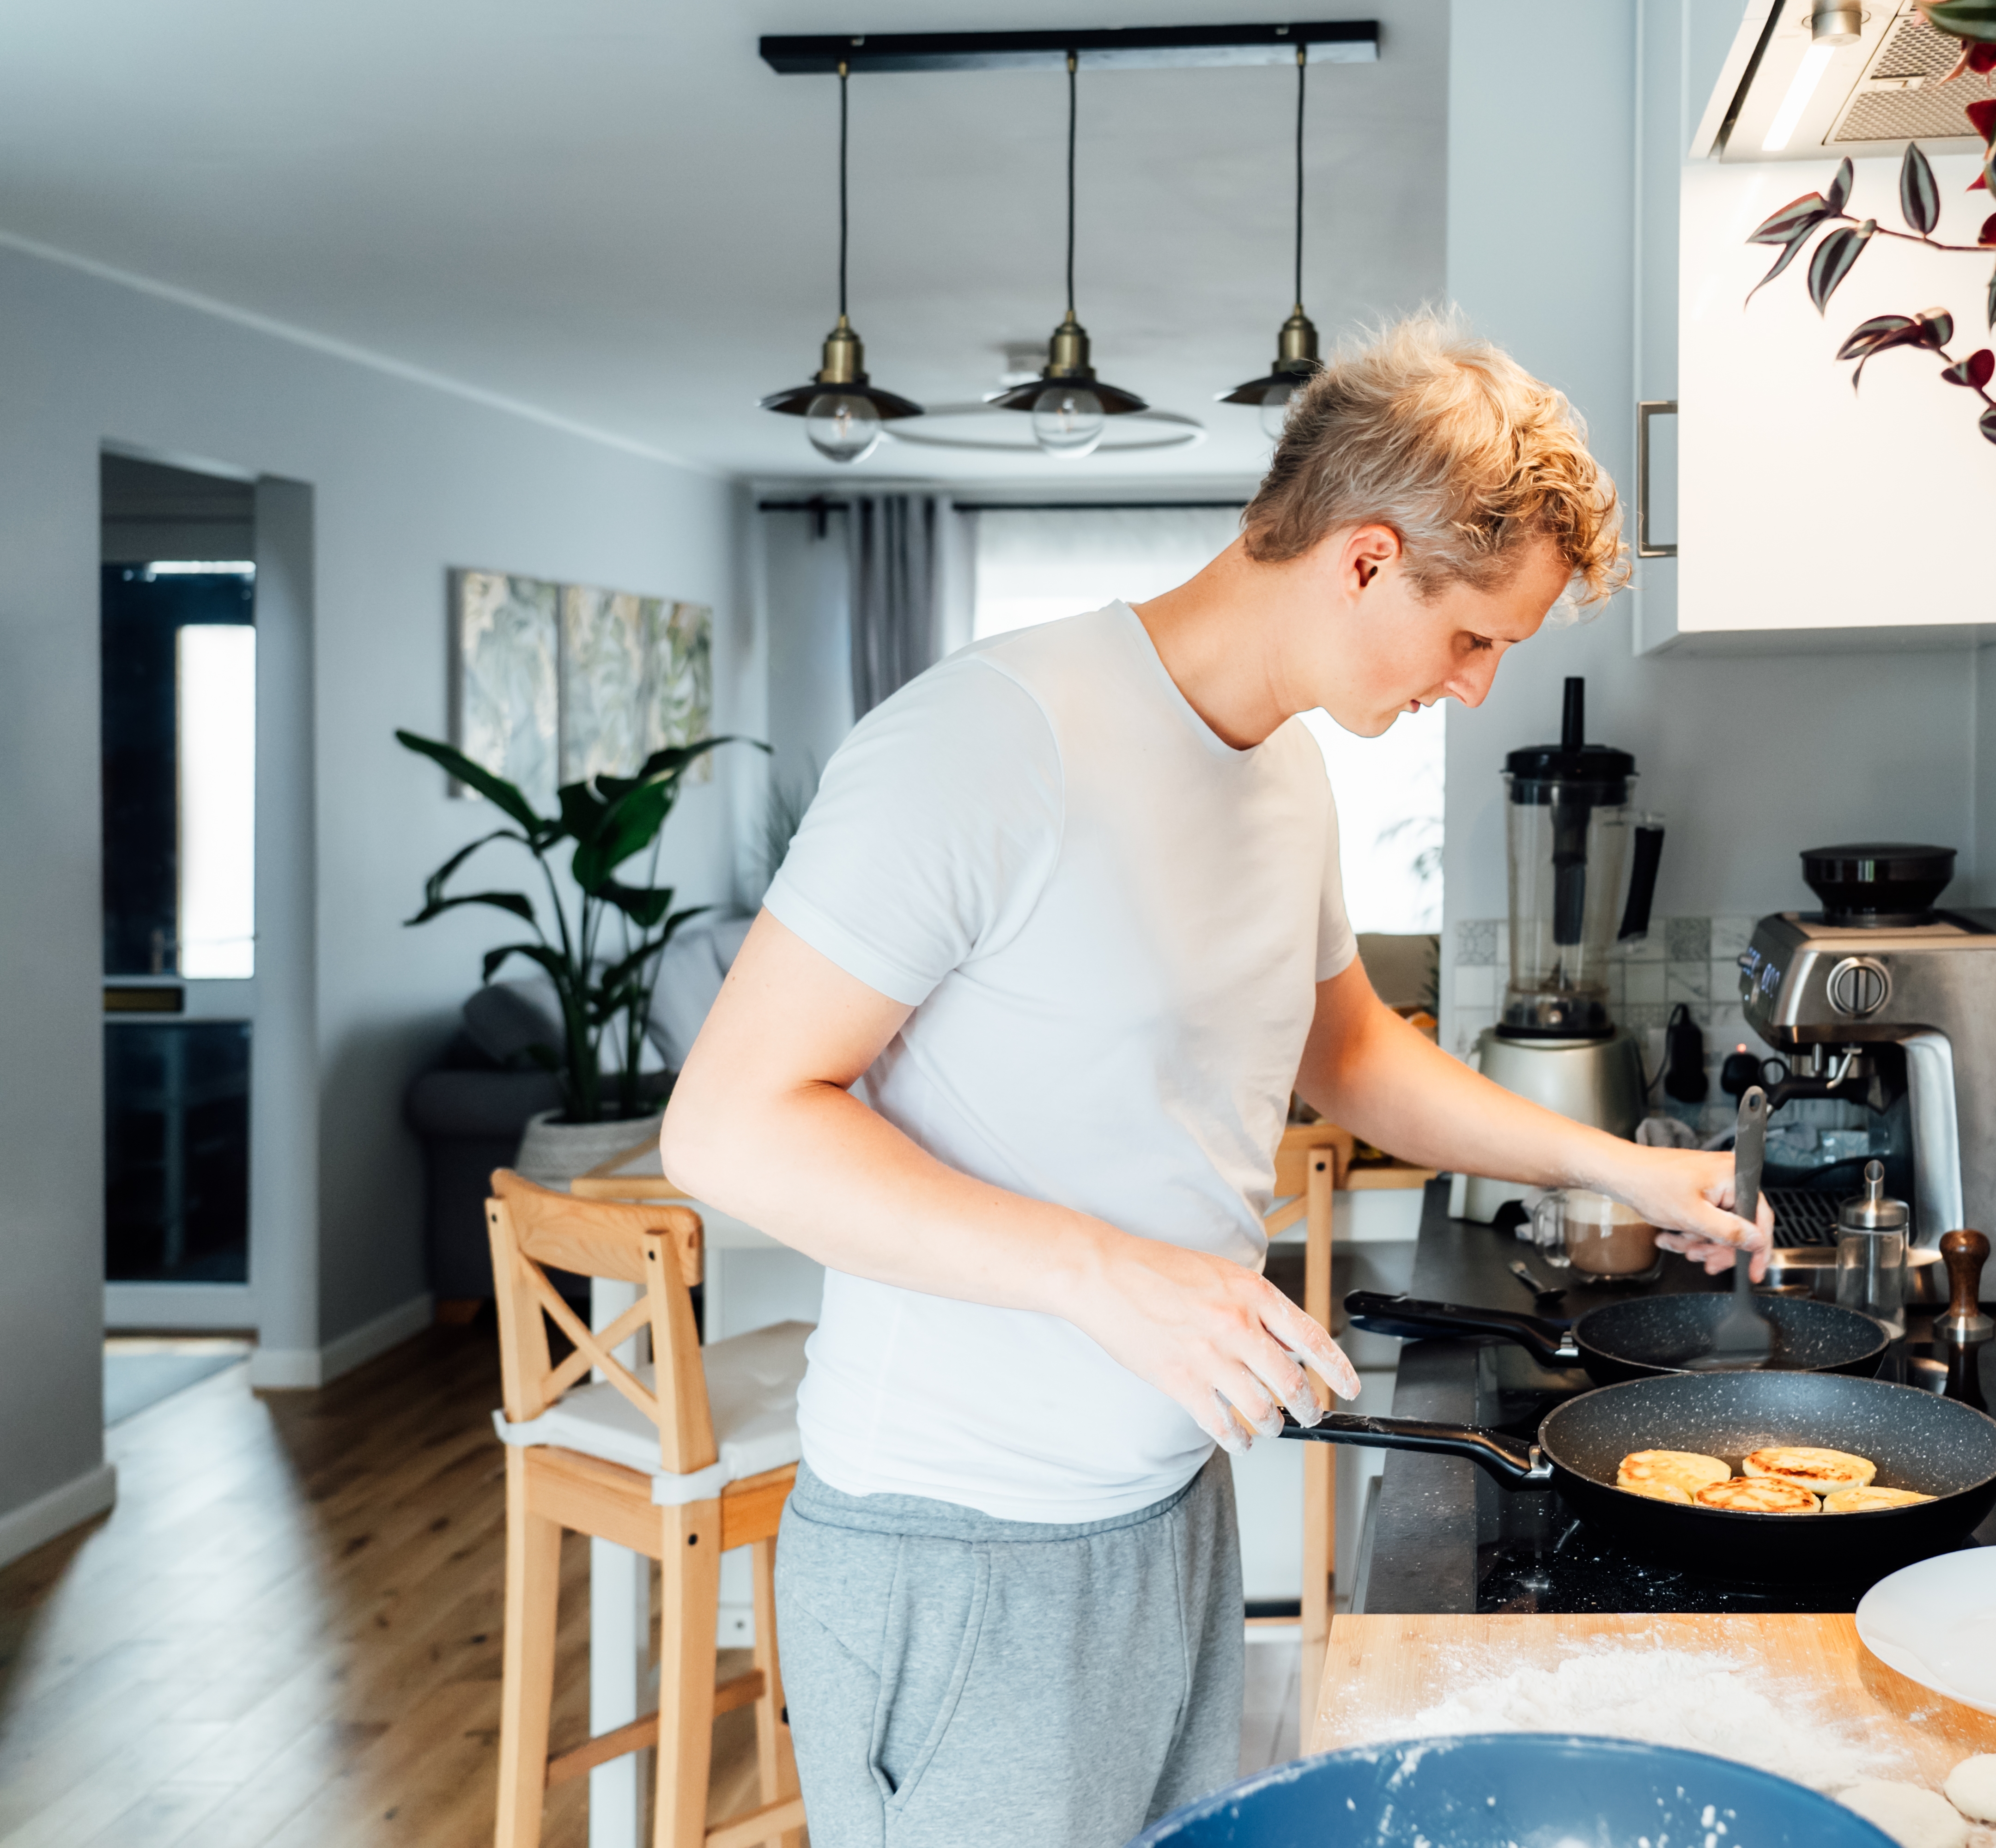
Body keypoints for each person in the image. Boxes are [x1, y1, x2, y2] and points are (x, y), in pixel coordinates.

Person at [661, 310, 1770, 1848]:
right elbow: (726, 1123)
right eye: (1476, 637)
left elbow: (1349, 1054)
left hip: (1164, 1504)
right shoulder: (994, 738)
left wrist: (1621, 1169)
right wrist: (1108, 1275)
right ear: (1368, 558)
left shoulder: (1285, 765)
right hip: (965, 1541)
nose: (1479, 685)